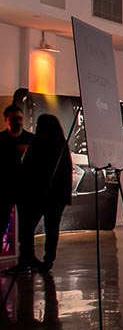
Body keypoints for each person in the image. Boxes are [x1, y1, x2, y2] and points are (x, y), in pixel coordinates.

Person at [13, 114, 72, 273]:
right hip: (55, 197)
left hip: (37, 195)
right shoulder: (61, 145)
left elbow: (30, 170)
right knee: (52, 228)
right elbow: (65, 174)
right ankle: (47, 260)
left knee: (27, 228)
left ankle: (27, 258)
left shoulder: (39, 145)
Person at [1, 105, 35, 275]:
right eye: (14, 119)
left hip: (25, 190)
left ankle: (26, 260)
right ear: (6, 120)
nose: (17, 122)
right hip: (5, 189)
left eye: (19, 118)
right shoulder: (1, 140)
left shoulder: (31, 140)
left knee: (26, 227)